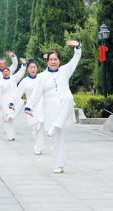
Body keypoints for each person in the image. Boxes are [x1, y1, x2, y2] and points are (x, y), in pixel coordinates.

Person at [25, 41, 81, 173]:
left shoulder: (65, 70)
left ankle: (55, 127)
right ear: (47, 61)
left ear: (60, 61)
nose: (53, 62)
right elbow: (36, 93)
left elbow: (75, 59)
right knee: (56, 140)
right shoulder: (42, 77)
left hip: (64, 107)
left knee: (68, 97)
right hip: (51, 109)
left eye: (56, 59)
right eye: (51, 59)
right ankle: (58, 165)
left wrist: (78, 47)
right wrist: (29, 106)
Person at [9, 59, 45, 155]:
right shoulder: (25, 81)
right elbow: (18, 93)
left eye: (34, 67)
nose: (33, 69)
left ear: (37, 68)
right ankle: (38, 145)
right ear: (27, 69)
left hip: (41, 105)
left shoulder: (41, 79)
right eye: (31, 67)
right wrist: (12, 102)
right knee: (34, 128)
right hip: (30, 107)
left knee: (39, 126)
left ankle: (38, 147)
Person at [0, 58, 26, 141]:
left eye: (7, 71)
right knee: (8, 120)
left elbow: (21, 73)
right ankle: (10, 136)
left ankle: (11, 115)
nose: (5, 72)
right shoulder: (1, 82)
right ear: (2, 73)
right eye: (4, 71)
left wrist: (24, 65)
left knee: (22, 102)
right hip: (5, 101)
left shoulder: (14, 78)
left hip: (14, 99)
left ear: (10, 72)